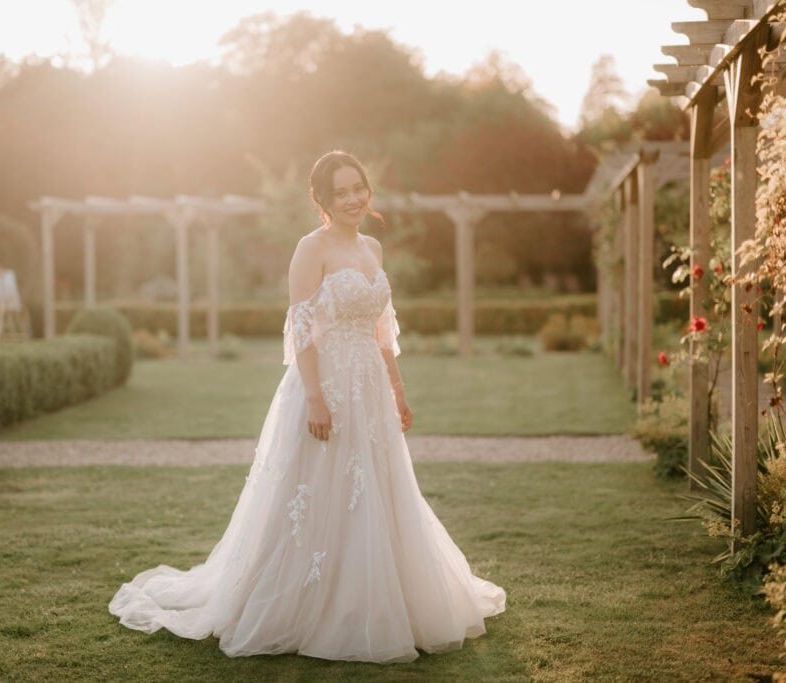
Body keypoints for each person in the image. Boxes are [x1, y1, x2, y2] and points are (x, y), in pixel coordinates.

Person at [109, 150, 506, 663]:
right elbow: (300, 329)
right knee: (317, 490)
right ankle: (304, 602)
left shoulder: (373, 249)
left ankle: (379, 599)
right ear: (322, 200)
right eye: (340, 192)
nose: (353, 199)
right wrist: (316, 399)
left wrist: (398, 390)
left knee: (378, 490)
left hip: (369, 390)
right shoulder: (310, 248)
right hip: (324, 387)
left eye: (358, 188)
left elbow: (382, 331)